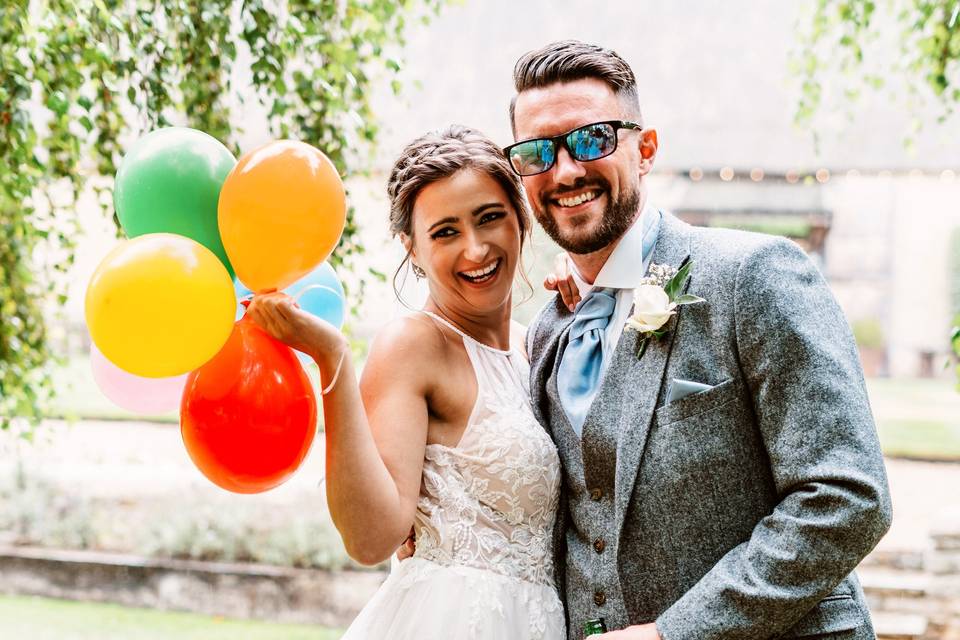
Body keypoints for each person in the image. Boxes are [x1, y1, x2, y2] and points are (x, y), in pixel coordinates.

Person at [510, 41, 893, 639]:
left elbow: (846, 496)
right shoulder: (548, 332)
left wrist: (675, 633)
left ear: (647, 150)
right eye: (537, 152)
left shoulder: (754, 275)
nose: (564, 171)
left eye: (592, 140)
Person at [246, 125, 572, 639]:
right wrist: (334, 360)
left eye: (490, 218)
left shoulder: (542, 344)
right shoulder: (415, 344)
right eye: (445, 232)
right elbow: (371, 537)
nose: (475, 249)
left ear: (521, 219)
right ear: (412, 249)